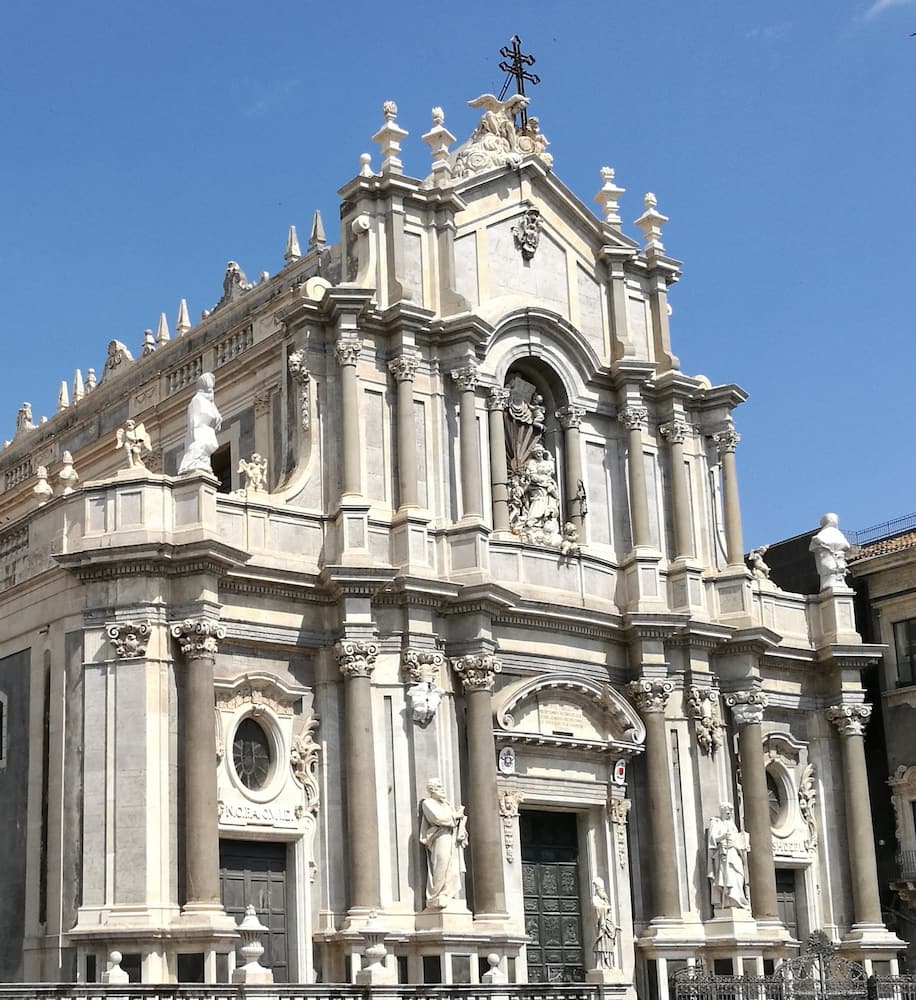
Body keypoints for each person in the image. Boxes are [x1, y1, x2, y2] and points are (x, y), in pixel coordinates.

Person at [418, 778, 468, 909]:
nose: (443, 789)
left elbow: (451, 818)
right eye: (439, 787)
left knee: (453, 866)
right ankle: (436, 895)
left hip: (451, 836)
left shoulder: (447, 804)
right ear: (432, 789)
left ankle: (447, 893)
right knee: (442, 862)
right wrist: (456, 816)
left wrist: (460, 820)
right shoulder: (428, 803)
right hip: (440, 837)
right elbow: (438, 818)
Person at [178, 373, 222, 475]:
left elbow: (214, 416)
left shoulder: (209, 402)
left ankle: (200, 463)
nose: (211, 391)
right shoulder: (197, 399)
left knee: (208, 446)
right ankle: (190, 464)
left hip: (206, 429)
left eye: (211, 388)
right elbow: (195, 418)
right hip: (199, 429)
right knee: (200, 445)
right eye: (209, 388)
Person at [707, 802, 749, 909]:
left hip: (734, 852)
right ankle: (729, 901)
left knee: (739, 875)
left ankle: (739, 898)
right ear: (722, 812)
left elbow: (736, 839)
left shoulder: (732, 825)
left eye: (730, 812)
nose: (729, 814)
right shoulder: (716, 822)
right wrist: (723, 837)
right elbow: (712, 839)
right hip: (724, 854)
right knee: (727, 876)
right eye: (727, 812)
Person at [809, 513, 851, 591]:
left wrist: (830, 546)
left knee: (836, 571)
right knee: (830, 571)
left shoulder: (837, 533)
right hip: (828, 559)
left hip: (837, 558)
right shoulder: (823, 534)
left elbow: (846, 545)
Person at [591, 877, 618, 969]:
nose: (602, 892)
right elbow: (596, 909)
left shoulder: (605, 900)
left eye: (603, 890)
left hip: (608, 927)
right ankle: (601, 963)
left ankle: (609, 963)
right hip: (601, 927)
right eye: (601, 890)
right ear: (597, 890)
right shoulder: (595, 899)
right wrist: (606, 909)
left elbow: (610, 914)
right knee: (601, 944)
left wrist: (613, 926)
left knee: (609, 946)